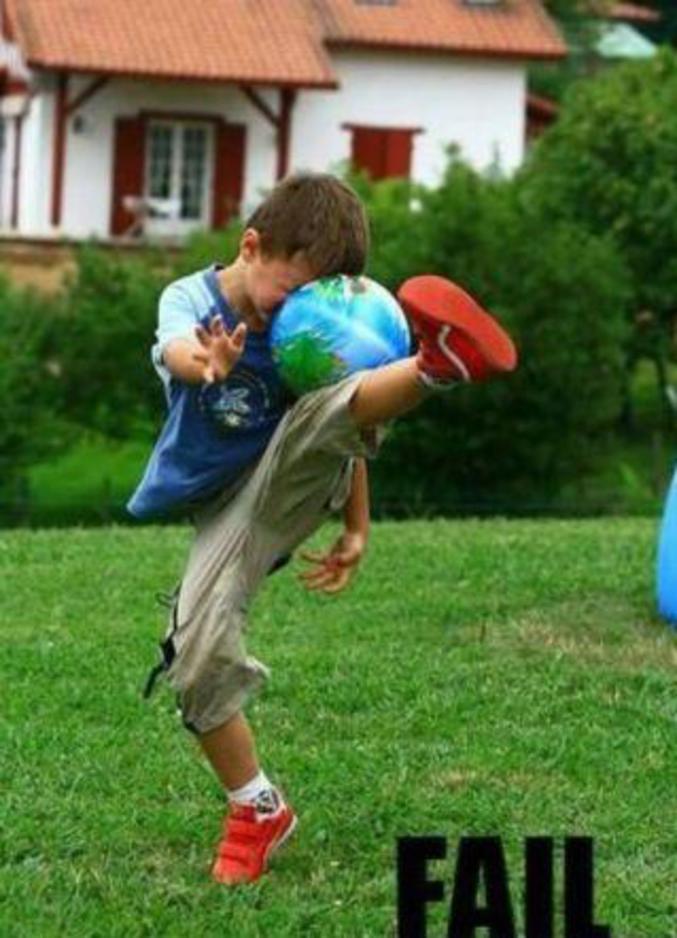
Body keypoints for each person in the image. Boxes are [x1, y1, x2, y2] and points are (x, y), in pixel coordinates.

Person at [129, 171, 517, 887]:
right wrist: (207, 363)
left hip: (290, 478)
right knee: (194, 654)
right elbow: (177, 350)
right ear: (251, 246)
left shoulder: (303, 332)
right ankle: (258, 806)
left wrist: (357, 527)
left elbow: (336, 426)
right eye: (290, 294)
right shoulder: (190, 300)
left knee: (320, 404)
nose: (294, 320)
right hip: (224, 501)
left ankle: (436, 366)